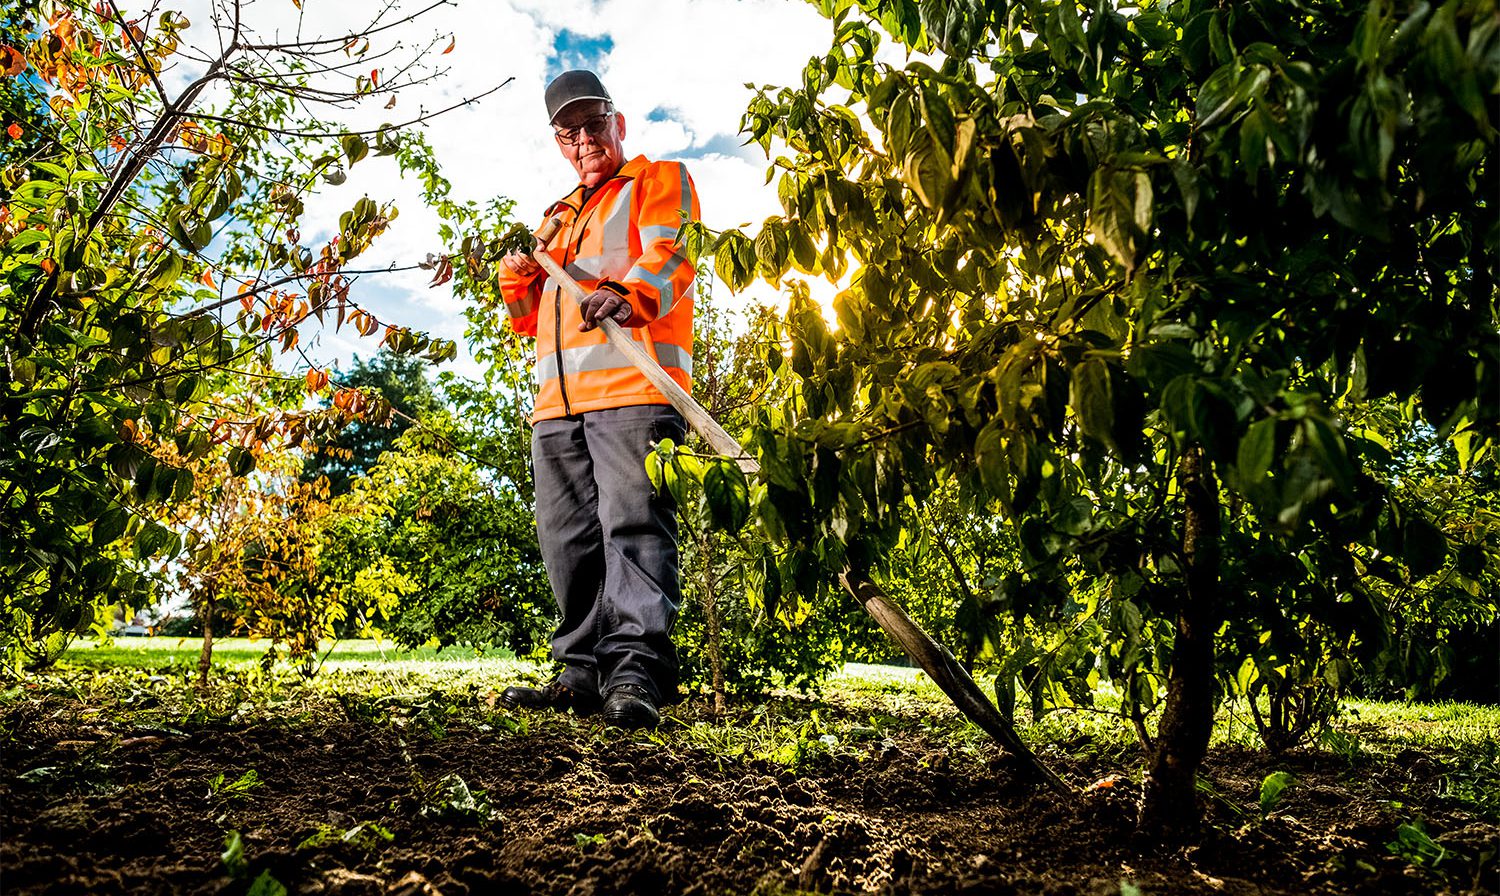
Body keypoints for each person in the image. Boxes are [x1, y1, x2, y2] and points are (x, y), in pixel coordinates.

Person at [494, 70, 699, 730]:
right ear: (559, 143)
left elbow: (671, 256)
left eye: (593, 124)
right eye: (569, 131)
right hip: (557, 406)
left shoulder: (657, 181)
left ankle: (636, 673)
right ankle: (580, 672)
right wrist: (517, 271)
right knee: (569, 543)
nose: (584, 139)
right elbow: (529, 316)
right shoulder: (555, 219)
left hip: (635, 390)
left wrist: (629, 296)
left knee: (635, 530)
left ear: (619, 124)